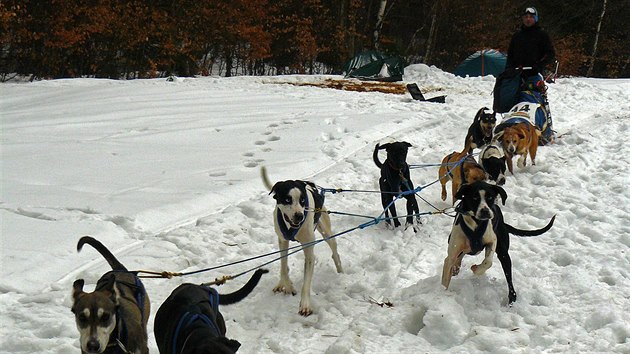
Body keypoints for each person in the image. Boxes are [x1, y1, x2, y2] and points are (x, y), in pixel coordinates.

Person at [506, 7, 556, 144]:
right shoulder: (517, 36)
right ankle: (515, 131)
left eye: (531, 17)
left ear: (535, 19)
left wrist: (540, 64)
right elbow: (510, 56)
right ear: (523, 19)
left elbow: (551, 54)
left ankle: (544, 132)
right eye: (526, 16)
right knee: (516, 102)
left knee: (537, 103)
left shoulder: (542, 35)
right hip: (517, 75)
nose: (528, 19)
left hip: (534, 75)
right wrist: (509, 70)